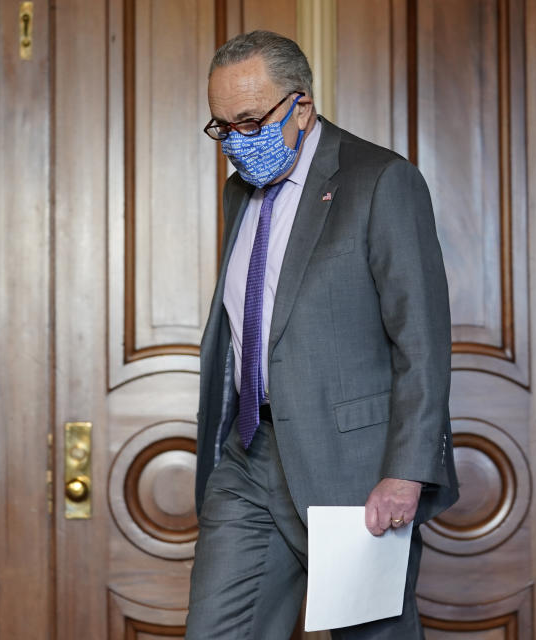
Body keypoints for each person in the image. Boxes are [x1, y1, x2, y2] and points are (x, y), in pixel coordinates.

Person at [187, 30, 458, 639]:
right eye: (222, 127)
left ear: (301, 106)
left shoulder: (380, 180)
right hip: (250, 452)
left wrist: (406, 471)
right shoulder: (241, 193)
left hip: (354, 468)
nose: (235, 143)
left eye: (250, 121)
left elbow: (421, 338)